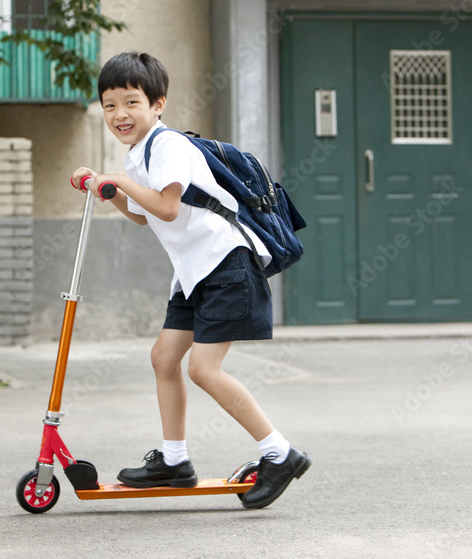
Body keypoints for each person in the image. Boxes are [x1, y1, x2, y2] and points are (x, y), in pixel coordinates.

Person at [70, 51, 310, 509]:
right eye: (109, 104)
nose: (119, 114)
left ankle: (280, 453)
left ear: (158, 104)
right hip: (194, 273)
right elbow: (143, 215)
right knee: (164, 358)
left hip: (227, 265)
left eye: (131, 102)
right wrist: (101, 188)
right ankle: (175, 461)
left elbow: (166, 208)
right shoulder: (138, 155)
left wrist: (116, 181)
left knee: (203, 368)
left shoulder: (169, 146)